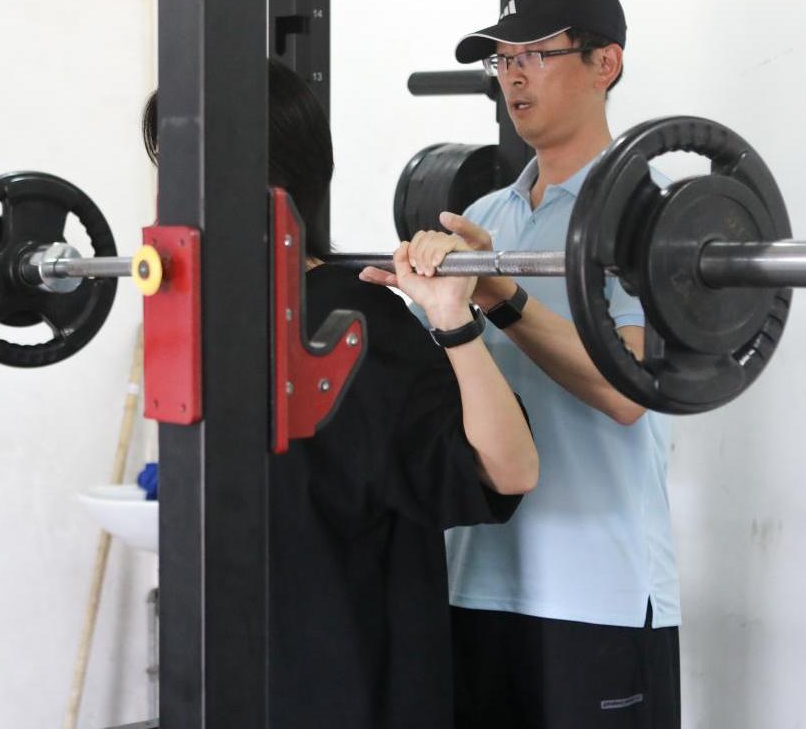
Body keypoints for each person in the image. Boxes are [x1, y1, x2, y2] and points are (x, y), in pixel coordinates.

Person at [142, 60, 538, 729]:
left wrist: (453, 320)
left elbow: (510, 470)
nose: (162, 198)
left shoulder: (357, 326)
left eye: (176, 174)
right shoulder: (213, 323)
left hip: (351, 694)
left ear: (244, 183)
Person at [362, 0, 682, 728]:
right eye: (502, 59)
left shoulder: (650, 210)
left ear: (605, 64)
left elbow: (628, 392)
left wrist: (500, 295)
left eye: (535, 54)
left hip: (594, 593)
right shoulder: (483, 216)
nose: (512, 75)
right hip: (472, 577)